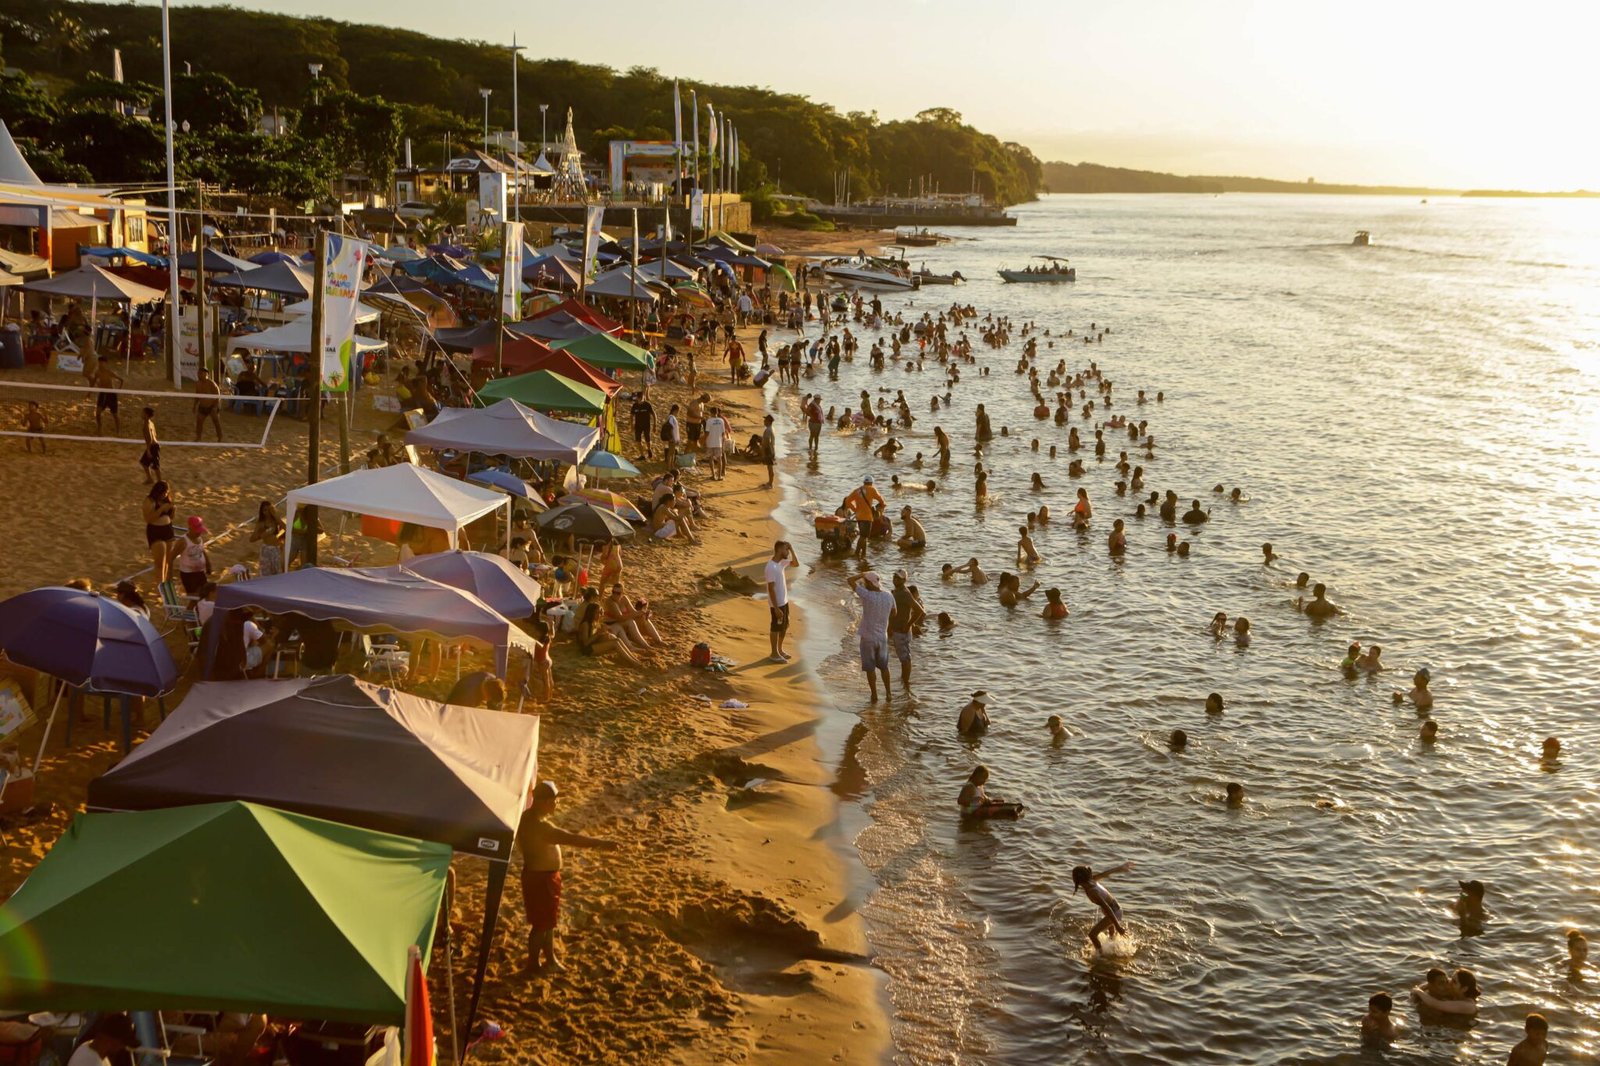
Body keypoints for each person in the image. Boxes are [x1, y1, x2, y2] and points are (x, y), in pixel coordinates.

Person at [517, 780, 619, 973]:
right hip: (542, 879)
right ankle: (533, 965)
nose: (557, 804)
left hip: (536, 875)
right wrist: (602, 844)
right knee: (541, 925)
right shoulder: (540, 827)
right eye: (554, 801)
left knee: (547, 923)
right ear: (544, 802)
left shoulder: (526, 818)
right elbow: (572, 839)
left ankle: (550, 960)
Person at [848, 571, 895, 702]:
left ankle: (874, 695)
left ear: (869, 583)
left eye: (865, 582)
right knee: (884, 667)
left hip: (868, 637)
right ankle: (888, 693)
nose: (864, 584)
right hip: (882, 637)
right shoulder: (889, 595)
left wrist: (861, 574)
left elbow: (850, 580)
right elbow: (894, 612)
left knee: (870, 669)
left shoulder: (867, 595)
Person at [1071, 862, 1133, 954]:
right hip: (1115, 908)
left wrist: (1118, 927)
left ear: (1077, 879)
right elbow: (1106, 873)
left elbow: (1107, 907)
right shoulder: (1092, 880)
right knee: (1111, 935)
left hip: (1114, 911)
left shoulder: (1092, 891)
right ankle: (1114, 949)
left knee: (1092, 935)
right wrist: (1120, 867)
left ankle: (1100, 955)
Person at [888, 569, 923, 689]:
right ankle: (904, 681)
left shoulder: (904, 593)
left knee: (905, 658)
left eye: (898, 578)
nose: (895, 579)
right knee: (903, 658)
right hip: (897, 630)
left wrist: (908, 625)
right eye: (894, 577)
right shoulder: (897, 591)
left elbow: (919, 611)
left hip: (902, 632)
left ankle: (906, 684)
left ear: (904, 580)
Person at [765, 540, 797, 661]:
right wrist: (776, 608)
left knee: (783, 627)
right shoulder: (771, 567)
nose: (787, 552)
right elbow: (771, 589)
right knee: (775, 627)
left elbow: (796, 564)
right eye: (786, 549)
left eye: (788, 549)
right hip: (777, 604)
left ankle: (779, 650)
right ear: (779, 550)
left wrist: (792, 549)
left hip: (784, 601)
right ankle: (774, 654)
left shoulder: (781, 563)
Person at [68, 1013, 138, 1066]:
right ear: (110, 1039)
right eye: (122, 1043)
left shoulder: (87, 1046)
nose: (122, 1047)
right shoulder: (91, 1061)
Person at [143, 480, 177, 586]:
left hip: (168, 529)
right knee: (159, 563)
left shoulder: (167, 500)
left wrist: (173, 510)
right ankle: (159, 585)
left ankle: (164, 584)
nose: (165, 495)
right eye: (163, 493)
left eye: (167, 492)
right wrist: (161, 509)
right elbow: (148, 519)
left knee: (167, 561)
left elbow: (171, 518)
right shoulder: (149, 501)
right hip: (155, 531)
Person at [844, 477, 886, 559]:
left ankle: (863, 554)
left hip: (859, 516)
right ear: (871, 483)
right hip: (867, 517)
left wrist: (855, 509)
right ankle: (857, 553)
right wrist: (883, 506)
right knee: (863, 536)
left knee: (864, 536)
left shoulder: (857, 490)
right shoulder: (872, 489)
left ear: (864, 482)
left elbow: (847, 501)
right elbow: (881, 501)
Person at [175, 515, 211, 596]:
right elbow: (171, 557)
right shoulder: (183, 541)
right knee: (193, 596)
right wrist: (168, 574)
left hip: (200, 572)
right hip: (188, 574)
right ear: (190, 528)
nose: (199, 533)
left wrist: (208, 564)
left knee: (204, 594)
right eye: (197, 531)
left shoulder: (199, 538)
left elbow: (202, 550)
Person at [93, 360, 124, 435]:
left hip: (111, 395)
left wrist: (118, 390)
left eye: (102, 363)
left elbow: (121, 380)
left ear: (105, 364)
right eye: (99, 363)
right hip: (103, 394)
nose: (100, 365)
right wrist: (89, 392)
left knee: (115, 414)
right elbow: (93, 382)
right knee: (98, 413)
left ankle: (118, 430)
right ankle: (99, 428)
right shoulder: (97, 373)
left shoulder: (109, 372)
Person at [194, 366, 223, 441]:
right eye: (198, 373)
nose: (199, 375)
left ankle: (220, 437)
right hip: (202, 406)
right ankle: (198, 437)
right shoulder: (198, 383)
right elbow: (197, 395)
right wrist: (194, 405)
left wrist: (215, 407)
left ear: (206, 374)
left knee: (216, 422)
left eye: (201, 373)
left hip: (212, 406)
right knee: (199, 422)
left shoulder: (211, 384)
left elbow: (218, 396)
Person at [631, 388, 656, 460]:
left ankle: (649, 449)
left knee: (647, 440)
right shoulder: (635, 405)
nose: (641, 399)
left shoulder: (647, 405)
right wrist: (631, 425)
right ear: (637, 398)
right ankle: (642, 455)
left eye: (642, 398)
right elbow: (631, 416)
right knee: (638, 440)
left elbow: (654, 414)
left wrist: (655, 424)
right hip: (638, 426)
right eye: (639, 398)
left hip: (646, 425)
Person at [138, 405, 161, 481]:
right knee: (144, 463)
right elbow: (155, 435)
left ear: (146, 415)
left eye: (143, 413)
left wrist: (148, 450)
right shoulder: (151, 423)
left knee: (155, 466)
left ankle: (159, 482)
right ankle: (150, 479)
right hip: (154, 445)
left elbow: (149, 439)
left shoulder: (146, 424)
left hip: (153, 446)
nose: (141, 414)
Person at [761, 414, 777, 490]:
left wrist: (764, 449)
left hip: (769, 450)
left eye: (765, 420)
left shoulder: (768, 430)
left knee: (770, 467)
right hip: (771, 449)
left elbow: (767, 440)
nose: (764, 421)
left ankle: (771, 483)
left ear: (769, 421)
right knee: (769, 467)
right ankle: (769, 482)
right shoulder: (771, 428)